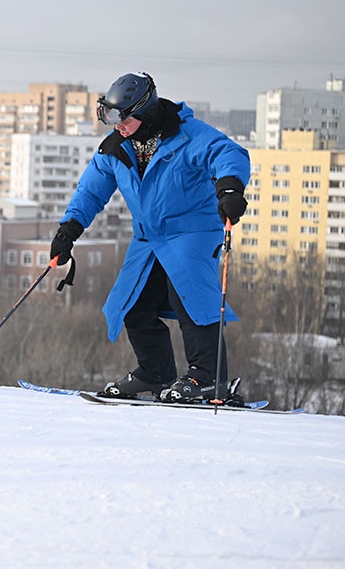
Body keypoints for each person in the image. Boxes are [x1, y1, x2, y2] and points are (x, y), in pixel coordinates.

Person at [50, 72, 250, 402]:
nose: (114, 124)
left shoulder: (186, 135)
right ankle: (155, 373)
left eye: (119, 116)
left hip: (192, 231)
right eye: (106, 115)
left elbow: (227, 153)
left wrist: (229, 188)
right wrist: (68, 230)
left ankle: (208, 376)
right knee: (132, 303)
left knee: (190, 297)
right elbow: (91, 190)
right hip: (149, 237)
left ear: (143, 111)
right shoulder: (117, 147)